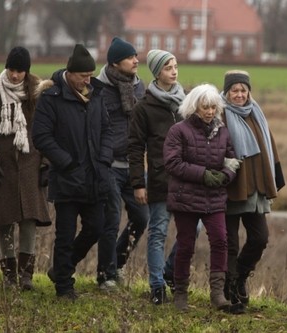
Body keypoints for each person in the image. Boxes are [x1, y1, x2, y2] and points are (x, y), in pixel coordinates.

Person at [32, 44, 113, 300]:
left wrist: (104, 160)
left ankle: (60, 270)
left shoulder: (97, 96)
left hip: (94, 178)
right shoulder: (51, 98)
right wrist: (65, 162)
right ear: (70, 72)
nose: (87, 80)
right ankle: (64, 288)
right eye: (82, 76)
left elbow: (107, 131)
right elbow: (41, 137)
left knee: (96, 228)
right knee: (65, 235)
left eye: (90, 75)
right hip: (66, 179)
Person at [0, 46, 51, 291]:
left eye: (20, 71)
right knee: (4, 220)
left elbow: (46, 131)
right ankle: (9, 276)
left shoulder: (37, 94)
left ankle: (26, 276)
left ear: (27, 71)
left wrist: (46, 164)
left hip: (31, 164)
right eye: (11, 69)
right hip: (2, 166)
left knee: (29, 219)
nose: (15, 75)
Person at [162, 83, 241, 313]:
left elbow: (231, 160)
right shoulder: (179, 130)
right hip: (185, 198)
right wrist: (204, 175)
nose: (209, 112)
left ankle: (217, 294)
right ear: (194, 106)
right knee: (186, 245)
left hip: (214, 198)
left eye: (213, 107)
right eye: (205, 107)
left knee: (220, 240)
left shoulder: (222, 131)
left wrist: (226, 175)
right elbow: (172, 163)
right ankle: (180, 294)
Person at [220, 70, 285, 306]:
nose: (239, 95)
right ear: (226, 92)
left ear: (249, 91)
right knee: (230, 242)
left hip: (256, 189)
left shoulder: (256, 113)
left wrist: (275, 177)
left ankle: (239, 279)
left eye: (243, 90)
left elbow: (270, 145)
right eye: (234, 90)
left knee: (260, 238)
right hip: (230, 188)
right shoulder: (219, 114)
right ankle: (228, 291)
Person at [128, 49, 185, 305]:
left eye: (175, 66)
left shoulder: (186, 103)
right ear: (157, 73)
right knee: (158, 232)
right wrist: (139, 183)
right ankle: (156, 286)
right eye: (167, 68)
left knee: (191, 229)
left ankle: (170, 271)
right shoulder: (144, 107)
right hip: (160, 179)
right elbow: (135, 147)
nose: (173, 71)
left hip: (187, 180)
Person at [92, 37, 150, 290]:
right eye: (130, 57)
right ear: (116, 63)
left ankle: (117, 263)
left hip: (134, 166)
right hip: (108, 166)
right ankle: (106, 275)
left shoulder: (140, 88)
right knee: (111, 219)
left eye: (136, 55)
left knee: (141, 217)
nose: (136, 60)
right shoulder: (99, 90)